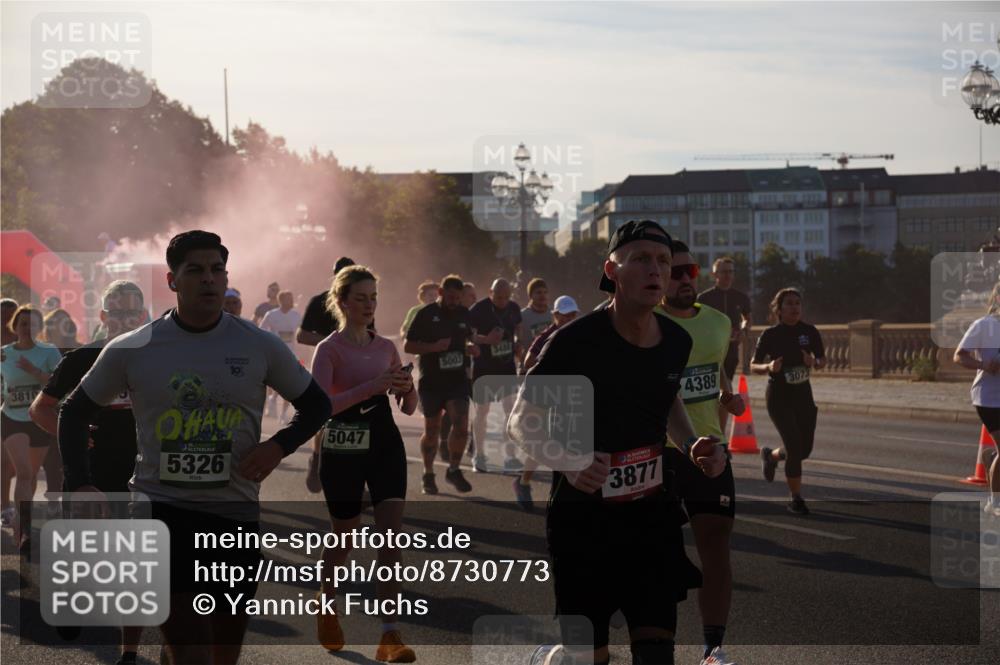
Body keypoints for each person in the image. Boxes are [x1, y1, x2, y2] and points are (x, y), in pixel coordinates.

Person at [57, 230, 332, 665]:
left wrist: (278, 446)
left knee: (221, 655)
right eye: (196, 270)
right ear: (172, 281)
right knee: (192, 655)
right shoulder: (132, 347)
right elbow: (72, 412)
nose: (209, 279)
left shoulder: (258, 344)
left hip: (234, 514)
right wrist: (80, 483)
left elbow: (317, 405)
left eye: (217, 270)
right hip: (161, 513)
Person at [508, 220, 725, 665]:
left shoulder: (676, 341)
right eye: (640, 259)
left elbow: (667, 401)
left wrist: (692, 444)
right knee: (591, 657)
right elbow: (520, 422)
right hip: (583, 521)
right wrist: (568, 461)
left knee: (656, 655)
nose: (656, 270)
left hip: (651, 516)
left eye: (663, 261)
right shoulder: (573, 342)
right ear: (612, 270)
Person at [30, 280, 148, 665]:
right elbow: (40, 408)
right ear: (103, 316)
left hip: (138, 472)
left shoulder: (155, 358)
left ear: (143, 316)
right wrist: (76, 437)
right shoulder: (82, 358)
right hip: (87, 472)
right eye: (117, 312)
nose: (125, 320)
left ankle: (129, 651)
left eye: (132, 313)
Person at [311, 265, 418, 662]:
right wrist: (371, 387)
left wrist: (407, 387)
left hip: (384, 444)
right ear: (342, 302)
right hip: (343, 447)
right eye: (361, 298)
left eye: (373, 297)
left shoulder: (386, 346)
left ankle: (390, 633)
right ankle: (326, 602)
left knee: (391, 539)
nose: (369, 305)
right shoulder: (329, 350)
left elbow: (409, 406)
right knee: (345, 536)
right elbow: (320, 407)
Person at [658, 242, 746, 665]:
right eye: (675, 272)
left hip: (710, 449)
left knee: (716, 543)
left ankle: (713, 649)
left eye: (689, 271)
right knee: (655, 553)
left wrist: (726, 395)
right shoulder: (645, 322)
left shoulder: (719, 322)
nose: (684, 279)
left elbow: (715, 367)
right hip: (657, 452)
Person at [297, 257, 373, 494]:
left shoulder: (363, 301)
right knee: (326, 418)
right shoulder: (319, 301)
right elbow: (302, 335)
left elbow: (371, 335)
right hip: (327, 369)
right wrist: (334, 344)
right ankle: (317, 458)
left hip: (356, 370)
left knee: (358, 425)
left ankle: (357, 484)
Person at [751, 287, 825, 516]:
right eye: (789, 303)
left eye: (797, 303)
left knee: (804, 451)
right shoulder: (770, 334)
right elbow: (753, 365)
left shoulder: (809, 331)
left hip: (803, 396)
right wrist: (769, 367)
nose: (795, 307)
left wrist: (814, 362)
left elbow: (822, 360)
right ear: (779, 310)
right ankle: (796, 498)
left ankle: (770, 456)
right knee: (794, 446)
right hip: (779, 397)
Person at [404, 275, 478, 495]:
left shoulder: (465, 313)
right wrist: (433, 347)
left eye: (458, 298)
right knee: (432, 429)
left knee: (462, 426)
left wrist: (472, 348)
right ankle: (428, 473)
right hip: (432, 381)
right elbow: (408, 346)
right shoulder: (426, 314)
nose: (454, 301)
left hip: (457, 380)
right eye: (450, 297)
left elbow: (469, 338)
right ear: (441, 293)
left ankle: (453, 470)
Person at [0, 305, 62, 552]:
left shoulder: (49, 352)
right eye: (23, 323)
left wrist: (34, 371)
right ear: (15, 327)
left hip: (39, 418)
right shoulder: (3, 354)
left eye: (33, 324)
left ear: (40, 327)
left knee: (32, 474)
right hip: (11, 416)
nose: (27, 328)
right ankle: (23, 528)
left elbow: (59, 382)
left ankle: (22, 516)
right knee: (24, 471)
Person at [511, 295, 579, 512]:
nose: (569, 319)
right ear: (555, 315)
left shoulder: (579, 335)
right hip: (546, 395)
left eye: (572, 315)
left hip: (571, 395)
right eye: (564, 315)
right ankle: (523, 482)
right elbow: (528, 361)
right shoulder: (546, 336)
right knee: (547, 442)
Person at [468, 278, 523, 473]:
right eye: (499, 297)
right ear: (491, 293)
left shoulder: (514, 308)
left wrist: (518, 343)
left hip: (506, 367)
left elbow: (518, 327)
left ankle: (510, 456)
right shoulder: (478, 310)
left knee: (510, 412)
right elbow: (469, 336)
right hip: (484, 368)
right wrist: (487, 340)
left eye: (506, 297)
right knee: (482, 412)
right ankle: (479, 455)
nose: (502, 301)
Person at [955, 281, 1000, 516]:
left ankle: (993, 458)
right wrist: (984, 365)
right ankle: (995, 502)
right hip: (988, 398)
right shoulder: (983, 325)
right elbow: (959, 356)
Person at [698, 258, 752, 430]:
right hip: (708, 354)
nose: (728, 275)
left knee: (726, 394)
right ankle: (708, 430)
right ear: (715, 274)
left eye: (731, 271)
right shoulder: (704, 298)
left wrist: (743, 330)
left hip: (730, 353)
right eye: (724, 272)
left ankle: (719, 433)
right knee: (711, 395)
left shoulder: (741, 297)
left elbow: (747, 319)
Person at [260, 290, 304, 424]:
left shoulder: (296, 315)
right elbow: (261, 330)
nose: (291, 301)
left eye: (291, 299)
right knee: (274, 380)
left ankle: (283, 414)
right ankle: (272, 399)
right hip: (274, 353)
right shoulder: (271, 314)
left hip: (291, 353)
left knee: (288, 383)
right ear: (281, 300)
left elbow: (301, 333)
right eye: (288, 299)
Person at [0, 298, 18, 527]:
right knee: (4, 461)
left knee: (12, 464)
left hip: (15, 406)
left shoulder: (21, 340)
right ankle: (5, 507)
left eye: (10, 314)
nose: (5, 319)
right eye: (2, 314)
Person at [520, 278, 553, 346]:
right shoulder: (522, 316)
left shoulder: (554, 313)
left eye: (545, 292)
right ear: (530, 295)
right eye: (539, 292)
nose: (543, 295)